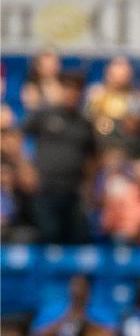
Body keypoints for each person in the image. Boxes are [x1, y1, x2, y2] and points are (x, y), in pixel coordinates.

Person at [22, 72, 96, 244]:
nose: (71, 94)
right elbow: (19, 137)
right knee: (50, 236)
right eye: (68, 88)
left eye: (76, 90)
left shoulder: (84, 123)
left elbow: (92, 157)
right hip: (45, 189)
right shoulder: (44, 115)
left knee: (79, 238)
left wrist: (89, 185)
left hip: (73, 192)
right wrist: (25, 168)